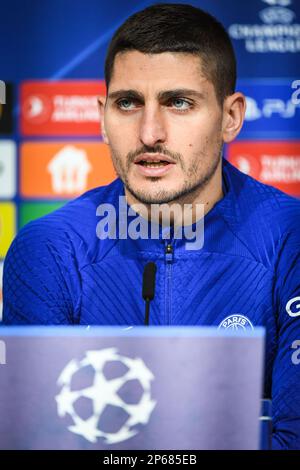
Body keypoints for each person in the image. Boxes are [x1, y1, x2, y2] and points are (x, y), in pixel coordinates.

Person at [3, 3, 300, 450]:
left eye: (178, 103)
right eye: (128, 103)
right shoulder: (48, 248)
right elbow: (34, 441)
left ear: (231, 117)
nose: (149, 133)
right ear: (103, 116)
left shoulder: (288, 236)